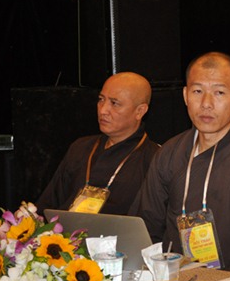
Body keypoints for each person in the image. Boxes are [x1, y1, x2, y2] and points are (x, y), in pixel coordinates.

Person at [131, 52, 230, 272]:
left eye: (219, 92)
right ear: (185, 96)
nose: (206, 104)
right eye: (197, 91)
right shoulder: (169, 154)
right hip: (170, 280)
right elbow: (146, 229)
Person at [36, 72, 159, 215]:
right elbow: (47, 206)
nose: (103, 110)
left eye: (114, 103)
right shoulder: (80, 148)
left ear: (140, 111)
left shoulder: (154, 159)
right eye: (101, 99)